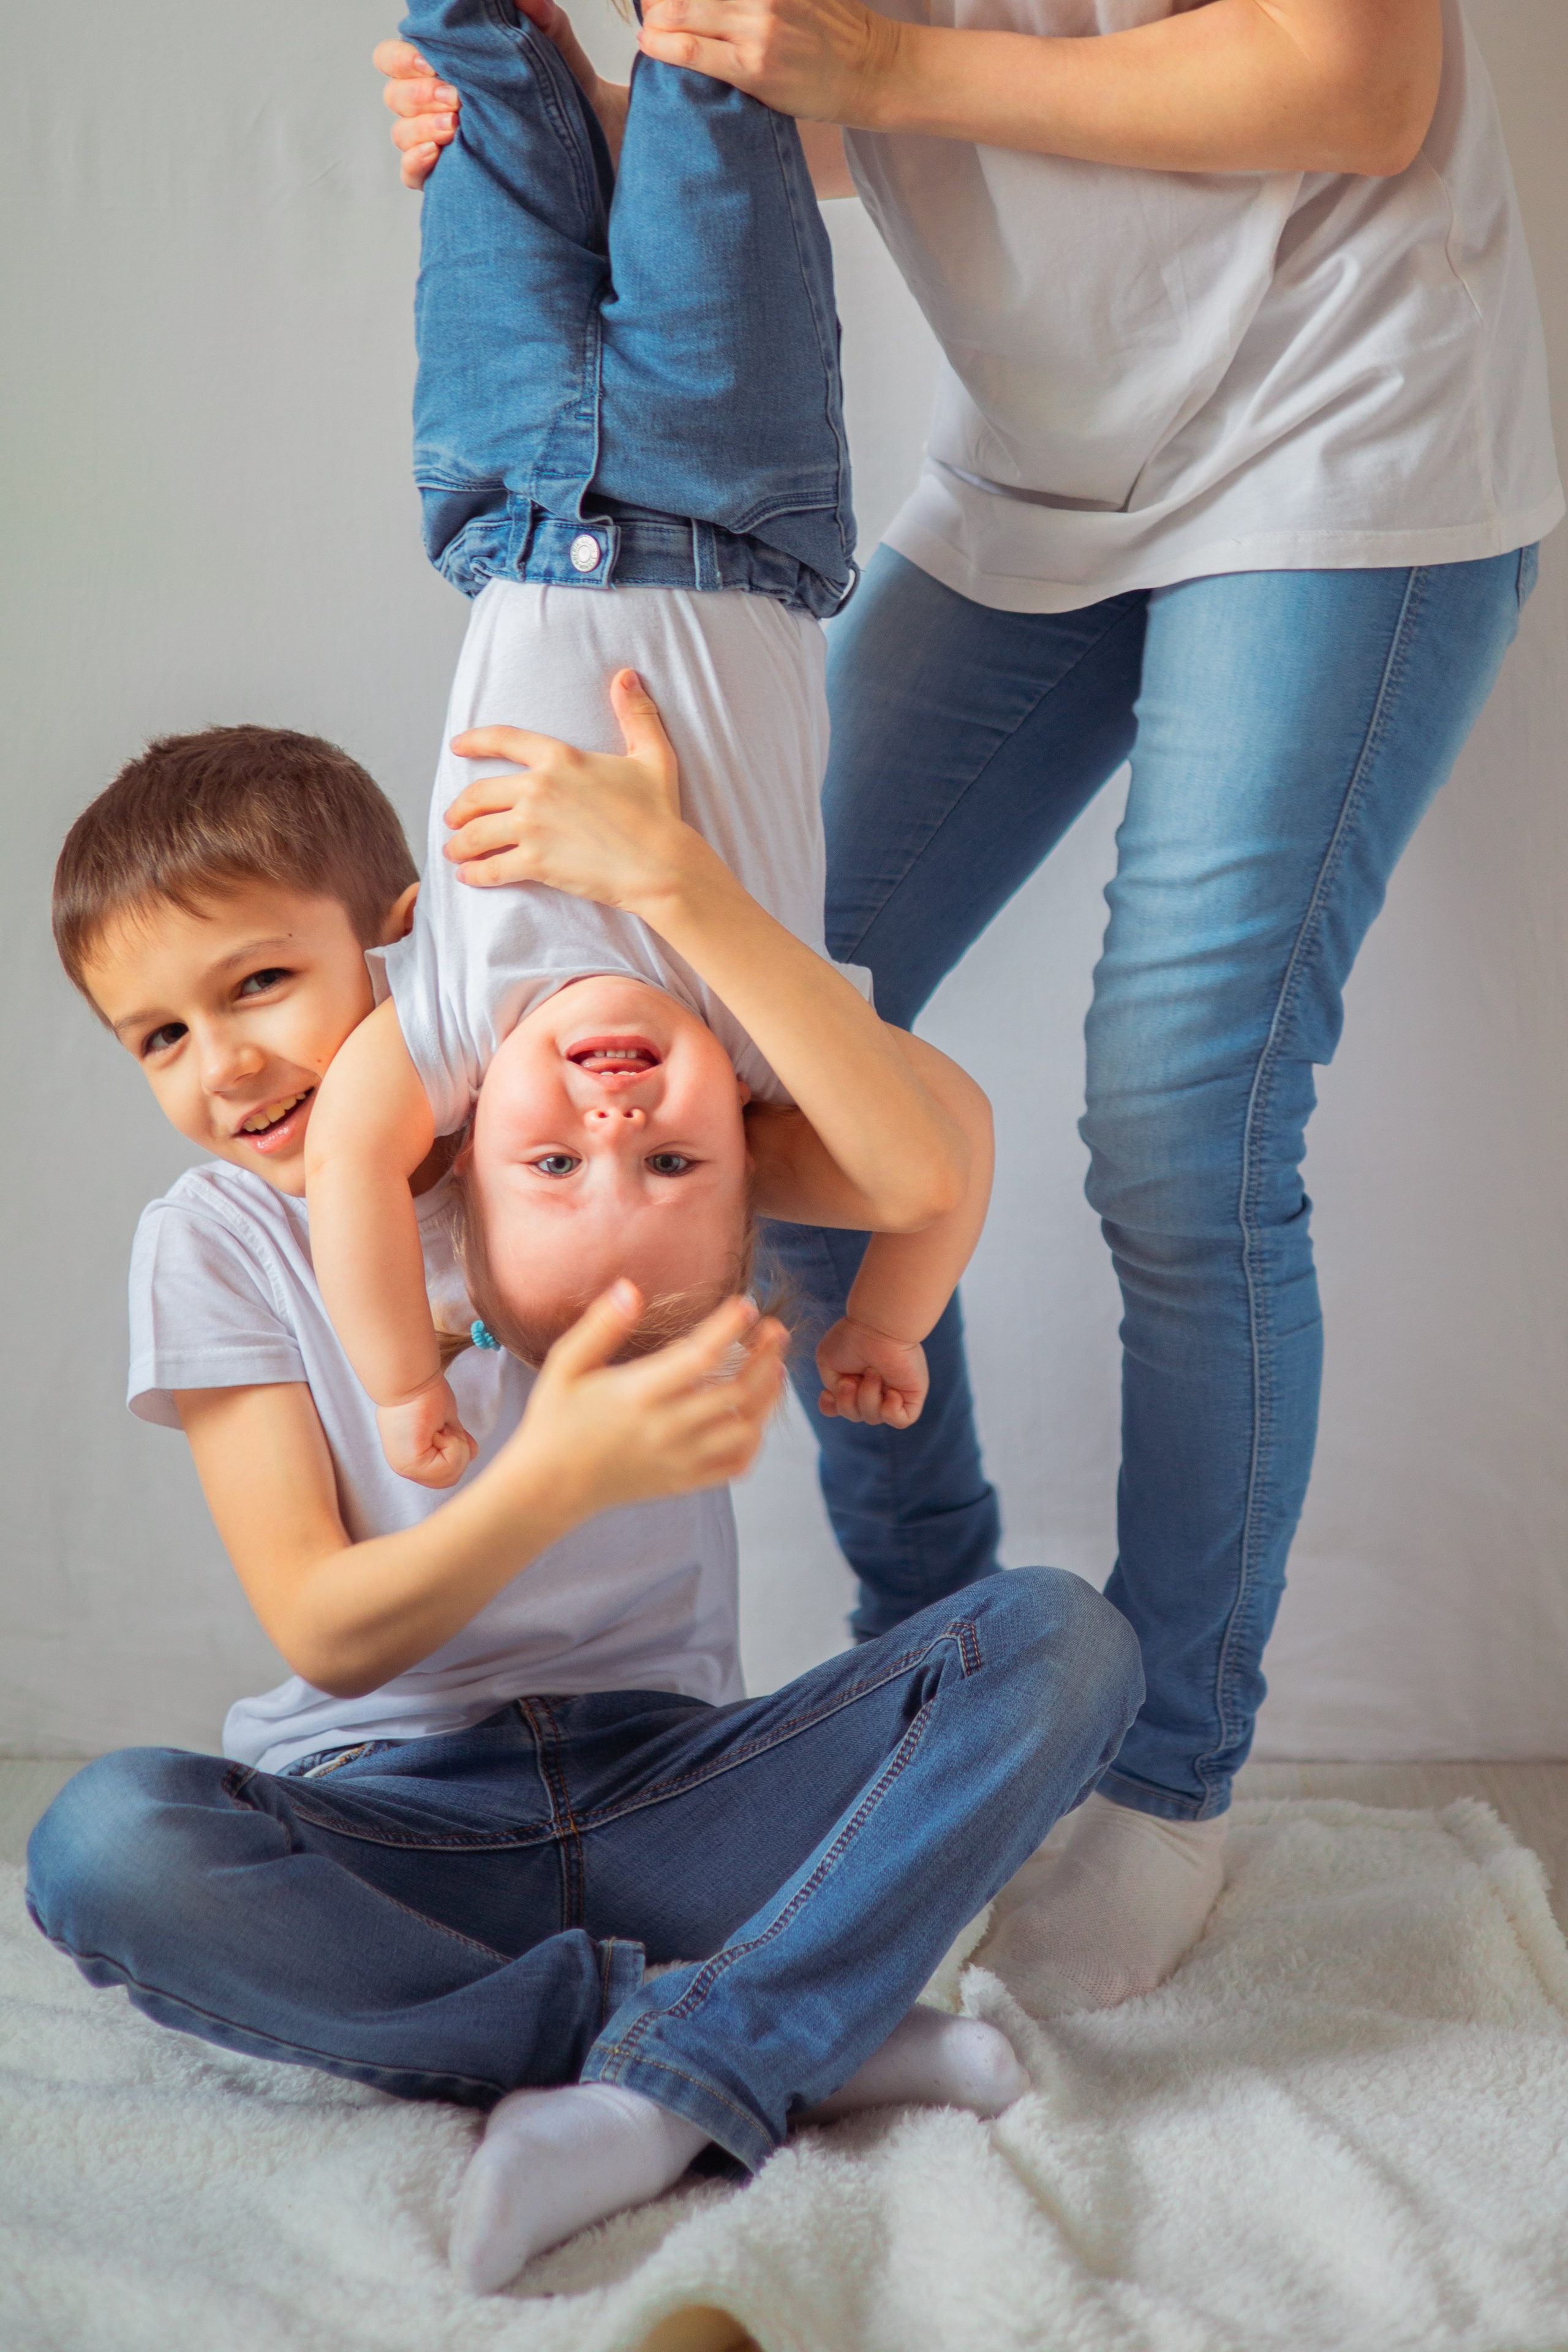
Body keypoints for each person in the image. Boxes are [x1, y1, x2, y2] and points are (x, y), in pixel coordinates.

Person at [382, 0, 1561, 2011]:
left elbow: (1363, 84)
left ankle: (1172, 1772)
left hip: (1346, 435)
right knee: (772, 1061)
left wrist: (866, 70)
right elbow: (834, 90)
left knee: (1180, 1124)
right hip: (1038, 479)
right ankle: (957, 1687)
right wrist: (583, 123)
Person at [26, 290, 1140, 2331]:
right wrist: (560, 1475)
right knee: (104, 1841)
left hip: (675, 1786)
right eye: (157, 1039)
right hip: (388, 1823)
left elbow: (914, 1159)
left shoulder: (592, 1098)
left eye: (260, 987)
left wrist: (703, 903)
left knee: (1060, 1646)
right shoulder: (217, 1244)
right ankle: (748, 2042)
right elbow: (327, 1628)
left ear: (402, 941)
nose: (227, 1069)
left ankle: (683, 2052)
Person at [304, 0, 990, 1505]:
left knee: (473, 49)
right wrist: (884, 1314)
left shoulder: (447, 1034)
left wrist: (403, 1381)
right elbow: (940, 1156)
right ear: (749, 1156)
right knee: (713, 63)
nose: (615, 1128)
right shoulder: (755, 1041)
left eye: (553, 1171)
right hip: (732, 484)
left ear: (466, 1149)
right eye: (673, 1170)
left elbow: (346, 1171)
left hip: (501, 480)